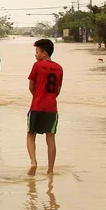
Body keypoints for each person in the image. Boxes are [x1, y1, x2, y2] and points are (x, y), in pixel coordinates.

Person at [26, 38, 63, 176]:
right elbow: (57, 90)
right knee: (51, 138)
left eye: (37, 52)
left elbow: (31, 86)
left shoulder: (37, 66)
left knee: (31, 135)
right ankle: (50, 170)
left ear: (44, 53)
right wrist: (50, 98)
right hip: (52, 107)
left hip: (36, 106)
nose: (35, 55)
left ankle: (34, 162)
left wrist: (37, 97)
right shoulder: (59, 68)